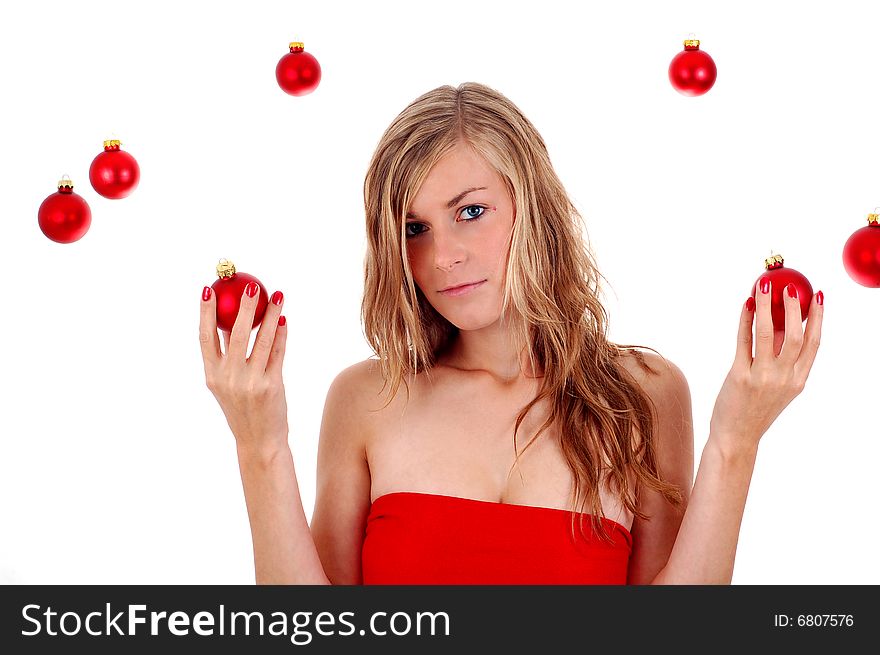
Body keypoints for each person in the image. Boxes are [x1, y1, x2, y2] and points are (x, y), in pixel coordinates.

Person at [198, 82, 824, 585]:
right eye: (414, 229)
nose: (442, 256)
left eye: (470, 212)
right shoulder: (367, 398)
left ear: (534, 206)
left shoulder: (645, 394)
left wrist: (736, 440)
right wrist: (261, 447)